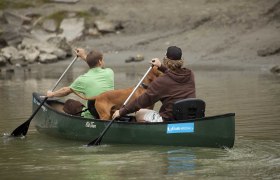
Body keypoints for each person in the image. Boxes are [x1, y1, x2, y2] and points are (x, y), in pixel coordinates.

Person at [112, 46, 195, 122]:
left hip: (169, 119)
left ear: (165, 60)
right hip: (190, 117)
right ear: (181, 60)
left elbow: (141, 101)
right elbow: (173, 75)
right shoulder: (190, 74)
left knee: (139, 112)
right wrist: (161, 66)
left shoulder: (162, 81)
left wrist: (121, 111)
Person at [46, 48, 114, 118]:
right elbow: (99, 66)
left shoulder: (82, 79)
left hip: (94, 114)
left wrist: (52, 94)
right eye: (103, 59)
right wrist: (83, 55)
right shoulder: (109, 72)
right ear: (100, 61)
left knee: (69, 103)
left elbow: (66, 91)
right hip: (110, 111)